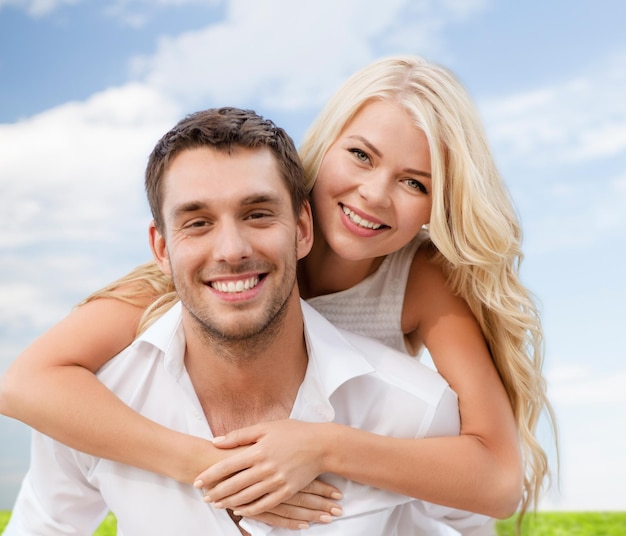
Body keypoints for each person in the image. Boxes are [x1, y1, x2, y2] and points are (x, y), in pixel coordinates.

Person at [0, 55, 556, 529]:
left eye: (415, 183)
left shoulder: (419, 281)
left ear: (440, 204)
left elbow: (498, 479)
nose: (375, 195)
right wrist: (212, 464)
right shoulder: (208, 274)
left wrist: (323, 446)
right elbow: (24, 383)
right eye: (360, 155)